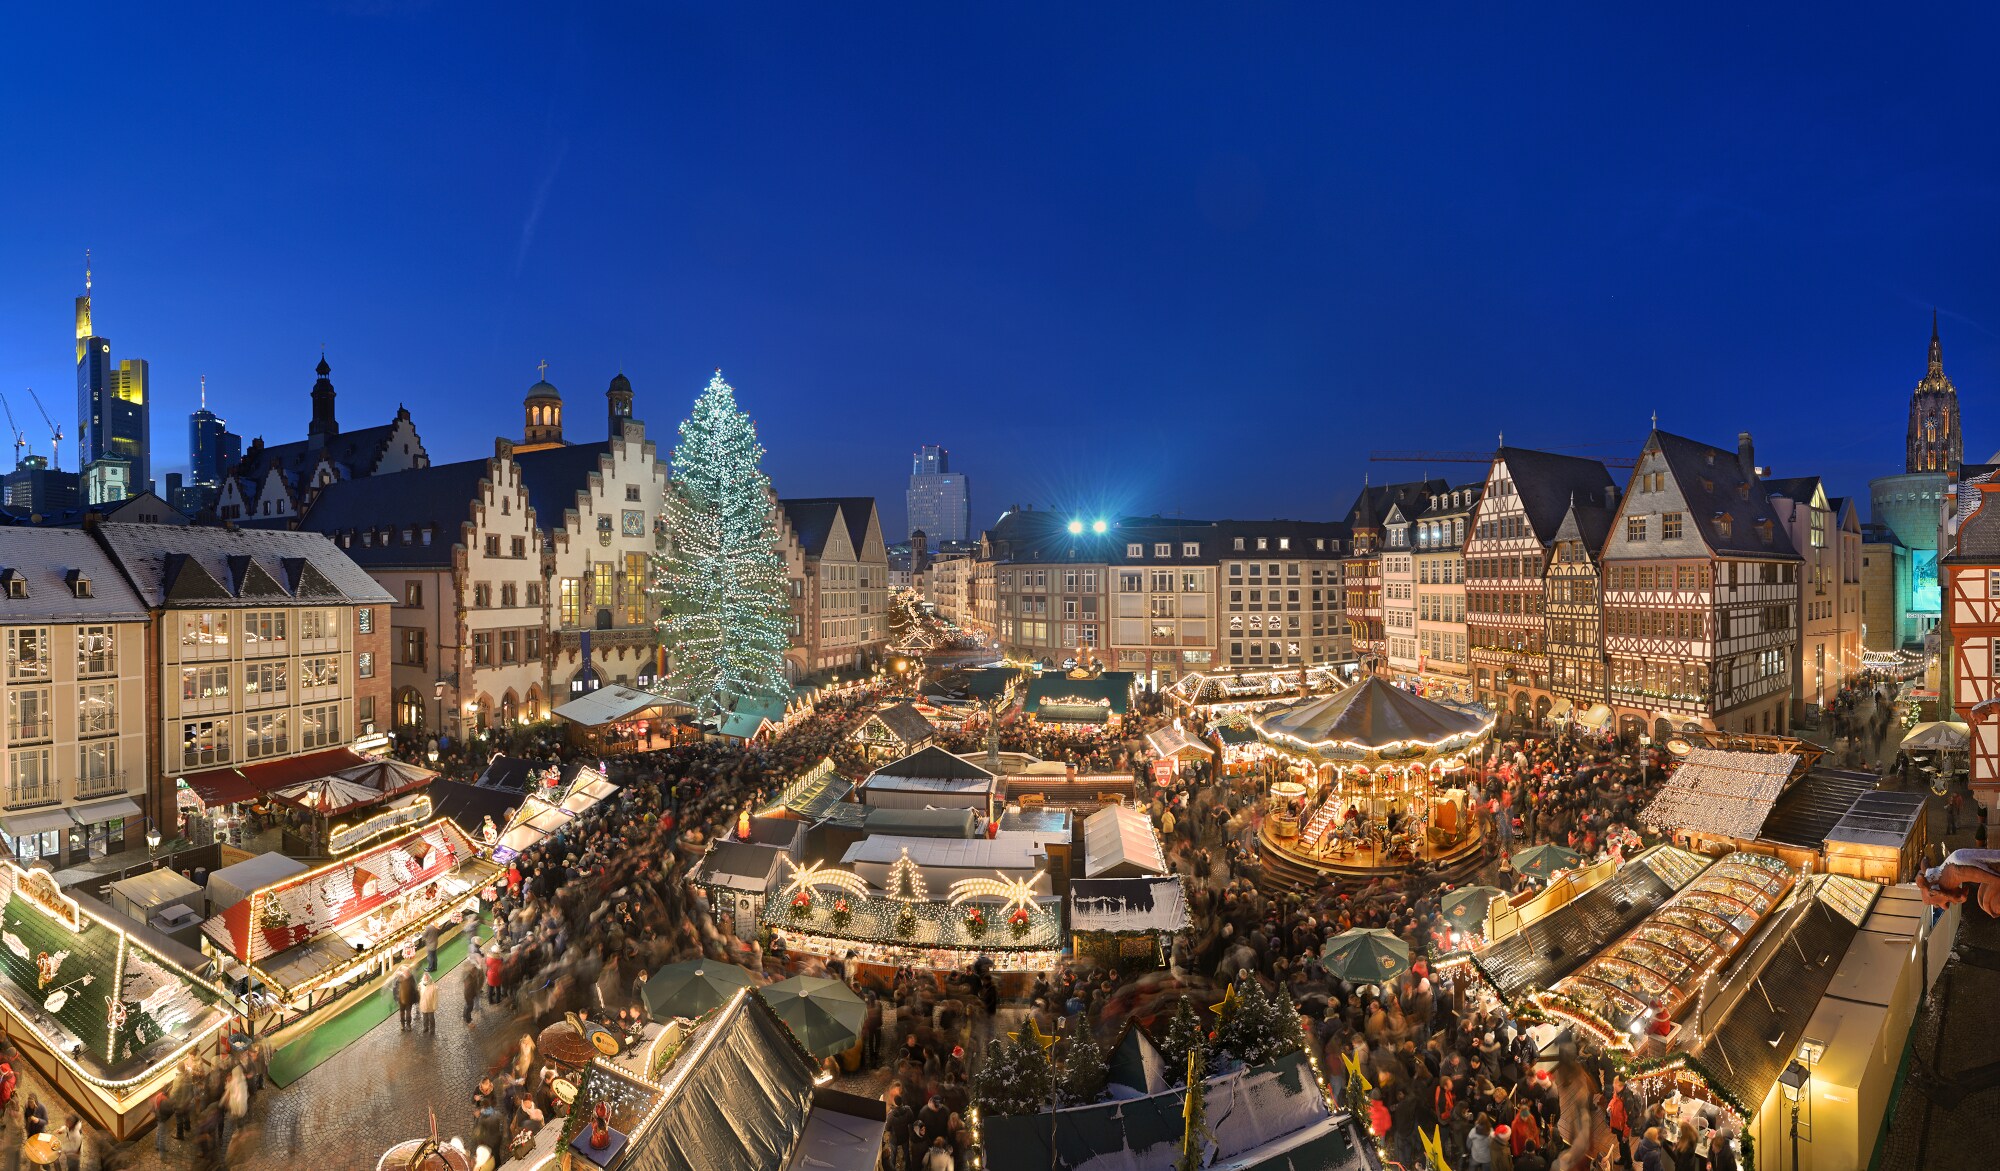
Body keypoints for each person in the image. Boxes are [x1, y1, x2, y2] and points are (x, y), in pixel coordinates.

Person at [395, 964, 419, 1031]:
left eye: (407, 971)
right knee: (402, 1012)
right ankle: (402, 1024)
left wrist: (415, 997)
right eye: (405, 971)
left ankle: (408, 1024)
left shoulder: (410, 978)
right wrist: (396, 997)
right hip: (401, 1000)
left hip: (409, 999)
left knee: (408, 1013)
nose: (407, 973)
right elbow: (395, 989)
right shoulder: (399, 978)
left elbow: (414, 988)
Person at [462, 953, 483, 1025]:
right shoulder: (468, 977)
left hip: (469, 994)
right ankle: (468, 1019)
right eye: (473, 968)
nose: (475, 969)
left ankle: (465, 1016)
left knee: (467, 1005)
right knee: (469, 1006)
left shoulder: (467, 974)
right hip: (469, 995)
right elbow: (469, 988)